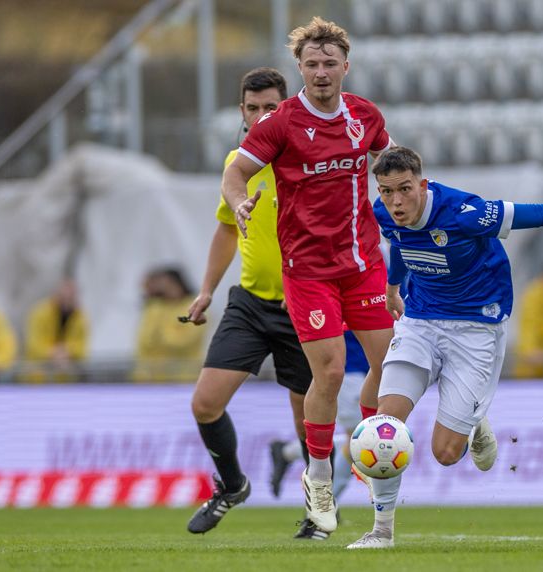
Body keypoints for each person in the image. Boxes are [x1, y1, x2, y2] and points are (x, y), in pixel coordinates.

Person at [346, 146, 543, 549]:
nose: (396, 201)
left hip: (477, 327)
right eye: (386, 191)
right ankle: (381, 532)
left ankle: (474, 420)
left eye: (404, 189)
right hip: (421, 321)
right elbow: (401, 243)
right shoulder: (382, 214)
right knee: (386, 424)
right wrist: (394, 287)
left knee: (447, 453)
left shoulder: (465, 212)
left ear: (423, 184)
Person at [223, 17, 396, 533]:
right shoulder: (280, 123)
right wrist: (238, 204)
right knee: (332, 372)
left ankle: (366, 446)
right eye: (311, 65)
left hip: (362, 263)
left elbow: (388, 161)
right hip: (309, 271)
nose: (321, 72)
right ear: (299, 69)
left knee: (391, 366)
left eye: (329, 63)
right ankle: (319, 477)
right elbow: (236, 171)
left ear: (346, 65)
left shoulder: (365, 115)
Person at [184, 68, 326, 540]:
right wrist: (206, 290)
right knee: (205, 404)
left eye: (271, 106)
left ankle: (318, 511)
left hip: (304, 305)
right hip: (249, 304)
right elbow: (227, 228)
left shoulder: (308, 160)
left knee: (309, 423)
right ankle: (231, 485)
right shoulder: (238, 164)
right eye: (253, 107)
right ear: (242, 113)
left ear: (287, 108)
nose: (262, 115)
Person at [268, 328, 369, 506]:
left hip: (371, 372)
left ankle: (287, 452)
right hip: (349, 371)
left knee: (360, 441)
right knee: (360, 442)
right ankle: (323, 505)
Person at [132, 267, 206, 382]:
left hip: (183, 377)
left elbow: (183, 341)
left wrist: (161, 336)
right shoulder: (154, 307)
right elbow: (145, 340)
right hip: (150, 378)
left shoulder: (193, 307)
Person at [23, 279, 89, 383]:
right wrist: (53, 353)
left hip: (66, 382)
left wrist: (67, 351)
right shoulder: (40, 313)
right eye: (63, 296)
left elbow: (82, 348)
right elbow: (33, 344)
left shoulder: (80, 318)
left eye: (71, 297)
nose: (67, 300)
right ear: (56, 294)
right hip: (37, 381)